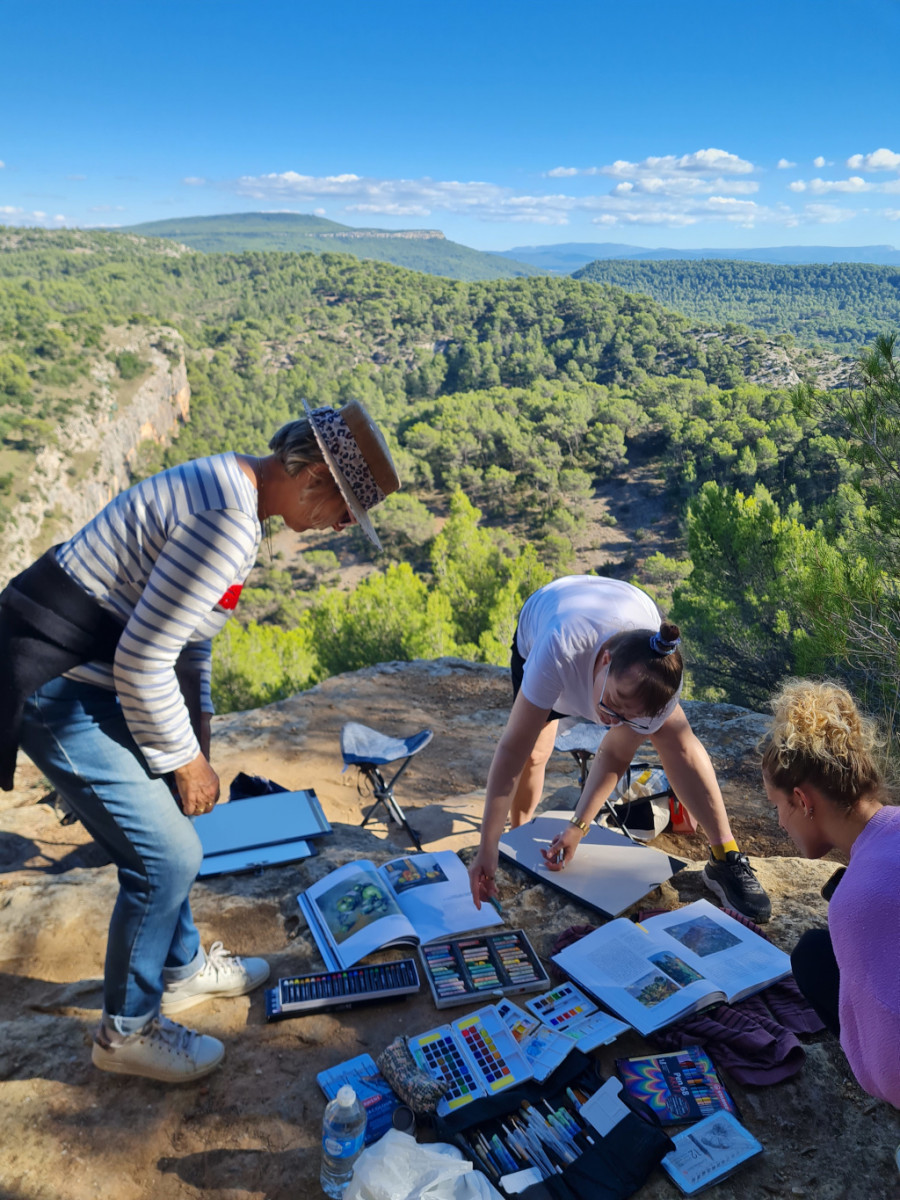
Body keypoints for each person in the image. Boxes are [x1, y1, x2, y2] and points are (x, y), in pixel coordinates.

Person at [0, 399, 399, 1083]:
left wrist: (198, 738)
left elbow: (191, 638)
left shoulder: (230, 486)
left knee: (164, 833)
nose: (339, 527)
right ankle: (126, 1031)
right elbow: (145, 660)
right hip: (55, 681)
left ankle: (180, 970)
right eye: (343, 512)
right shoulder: (225, 523)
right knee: (168, 855)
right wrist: (182, 760)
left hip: (91, 674)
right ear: (313, 481)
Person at [468, 575, 771, 921]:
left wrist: (578, 826)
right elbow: (510, 752)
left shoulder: (660, 681)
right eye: (611, 705)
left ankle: (725, 856)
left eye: (627, 718)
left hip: (618, 610)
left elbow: (614, 754)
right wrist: (487, 847)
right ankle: (519, 834)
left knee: (677, 739)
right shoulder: (558, 649)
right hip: (551, 614)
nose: (611, 722)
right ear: (604, 661)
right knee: (534, 750)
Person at [762, 679, 900, 1109]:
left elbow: (890, 1071)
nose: (780, 823)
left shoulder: (856, 901)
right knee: (816, 952)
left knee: (814, 957)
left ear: (802, 800)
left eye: (777, 806)